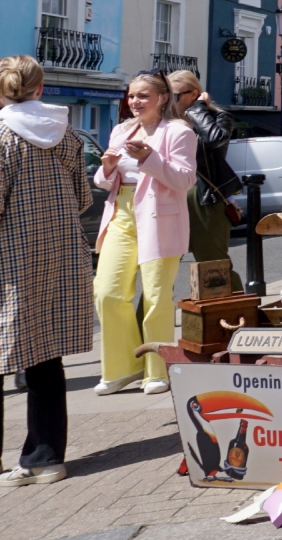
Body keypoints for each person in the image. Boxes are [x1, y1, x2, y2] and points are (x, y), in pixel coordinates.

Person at [0, 57, 91, 486]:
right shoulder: (66, 133)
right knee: (46, 357)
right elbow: (83, 197)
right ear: (40, 86)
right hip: (59, 255)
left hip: (7, 260)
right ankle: (45, 457)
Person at [93, 71, 196, 396]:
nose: (134, 102)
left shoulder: (178, 132)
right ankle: (123, 367)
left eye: (143, 96)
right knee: (107, 292)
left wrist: (148, 158)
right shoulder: (122, 130)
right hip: (121, 215)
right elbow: (103, 179)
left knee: (155, 298)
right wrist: (107, 168)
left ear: (162, 98)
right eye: (132, 96)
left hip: (159, 218)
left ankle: (157, 369)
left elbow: (184, 180)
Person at [169, 70, 236, 264]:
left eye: (175, 96)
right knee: (162, 265)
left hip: (202, 195)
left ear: (194, 94)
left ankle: (227, 296)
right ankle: (155, 297)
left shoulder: (218, 118)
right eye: (166, 95)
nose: (169, 101)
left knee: (212, 264)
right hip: (169, 194)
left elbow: (215, 140)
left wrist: (198, 109)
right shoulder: (162, 123)